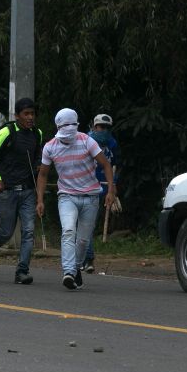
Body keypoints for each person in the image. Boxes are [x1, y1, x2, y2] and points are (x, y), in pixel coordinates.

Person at [35, 108, 115, 290]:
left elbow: (106, 164)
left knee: (83, 240)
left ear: (76, 125)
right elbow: (43, 175)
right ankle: (69, 272)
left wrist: (110, 190)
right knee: (69, 231)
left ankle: (76, 266)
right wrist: (40, 200)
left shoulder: (87, 141)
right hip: (67, 196)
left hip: (91, 197)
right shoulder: (50, 147)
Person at [0, 98, 43, 285]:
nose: (30, 117)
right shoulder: (7, 132)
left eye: (32, 113)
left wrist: (39, 166)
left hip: (28, 192)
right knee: (6, 232)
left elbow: (38, 157)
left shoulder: (37, 134)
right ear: (17, 116)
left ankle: (22, 271)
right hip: (7, 191)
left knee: (29, 231)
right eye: (26, 114)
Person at [82, 113, 119, 273]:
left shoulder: (112, 143)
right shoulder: (86, 141)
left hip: (104, 187)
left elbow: (114, 165)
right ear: (94, 126)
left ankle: (87, 259)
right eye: (100, 127)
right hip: (87, 186)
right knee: (85, 224)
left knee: (88, 224)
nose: (103, 130)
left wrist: (113, 186)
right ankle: (87, 258)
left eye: (107, 128)